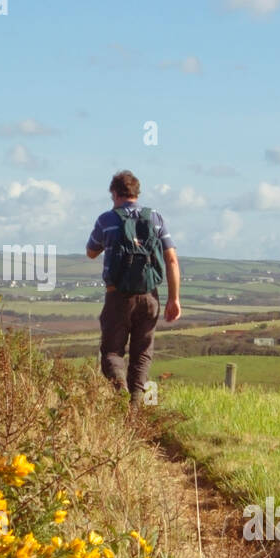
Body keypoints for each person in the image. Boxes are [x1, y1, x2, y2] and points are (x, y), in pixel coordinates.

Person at [85, 170, 181, 408]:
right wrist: (174, 299)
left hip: (118, 296)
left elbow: (91, 252)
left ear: (115, 193)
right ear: (136, 193)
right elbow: (171, 260)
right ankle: (136, 409)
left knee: (112, 353)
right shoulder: (155, 218)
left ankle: (121, 394)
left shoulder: (106, 220)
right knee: (142, 354)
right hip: (150, 297)